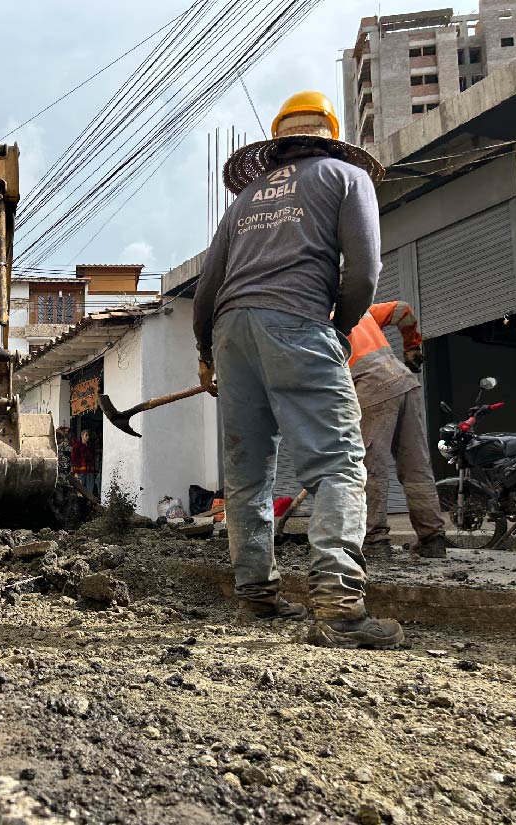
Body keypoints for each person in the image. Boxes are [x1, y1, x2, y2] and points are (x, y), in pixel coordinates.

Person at [193, 91, 404, 649]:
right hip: (300, 323)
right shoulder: (345, 177)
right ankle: (338, 608)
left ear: (279, 141)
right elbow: (364, 269)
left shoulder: (242, 204)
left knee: (248, 474)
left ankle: (256, 597)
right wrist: (338, 326)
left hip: (230, 332)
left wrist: (207, 353)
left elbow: (207, 288)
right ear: (330, 133)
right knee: (336, 462)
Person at [349, 302, 447, 558]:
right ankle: (432, 540)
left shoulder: (316, 318)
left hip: (371, 385)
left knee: (371, 467)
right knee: (417, 465)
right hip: (404, 380)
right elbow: (403, 309)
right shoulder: (361, 307)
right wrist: (411, 347)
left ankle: (374, 542)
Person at [70, 429, 98, 498]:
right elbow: (74, 459)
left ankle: (88, 504)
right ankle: (80, 503)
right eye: (86, 435)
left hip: (90, 471)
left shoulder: (90, 447)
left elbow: (93, 458)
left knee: (90, 490)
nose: (88, 437)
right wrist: (75, 472)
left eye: (88, 435)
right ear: (82, 436)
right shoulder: (77, 446)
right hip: (81, 471)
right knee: (80, 490)